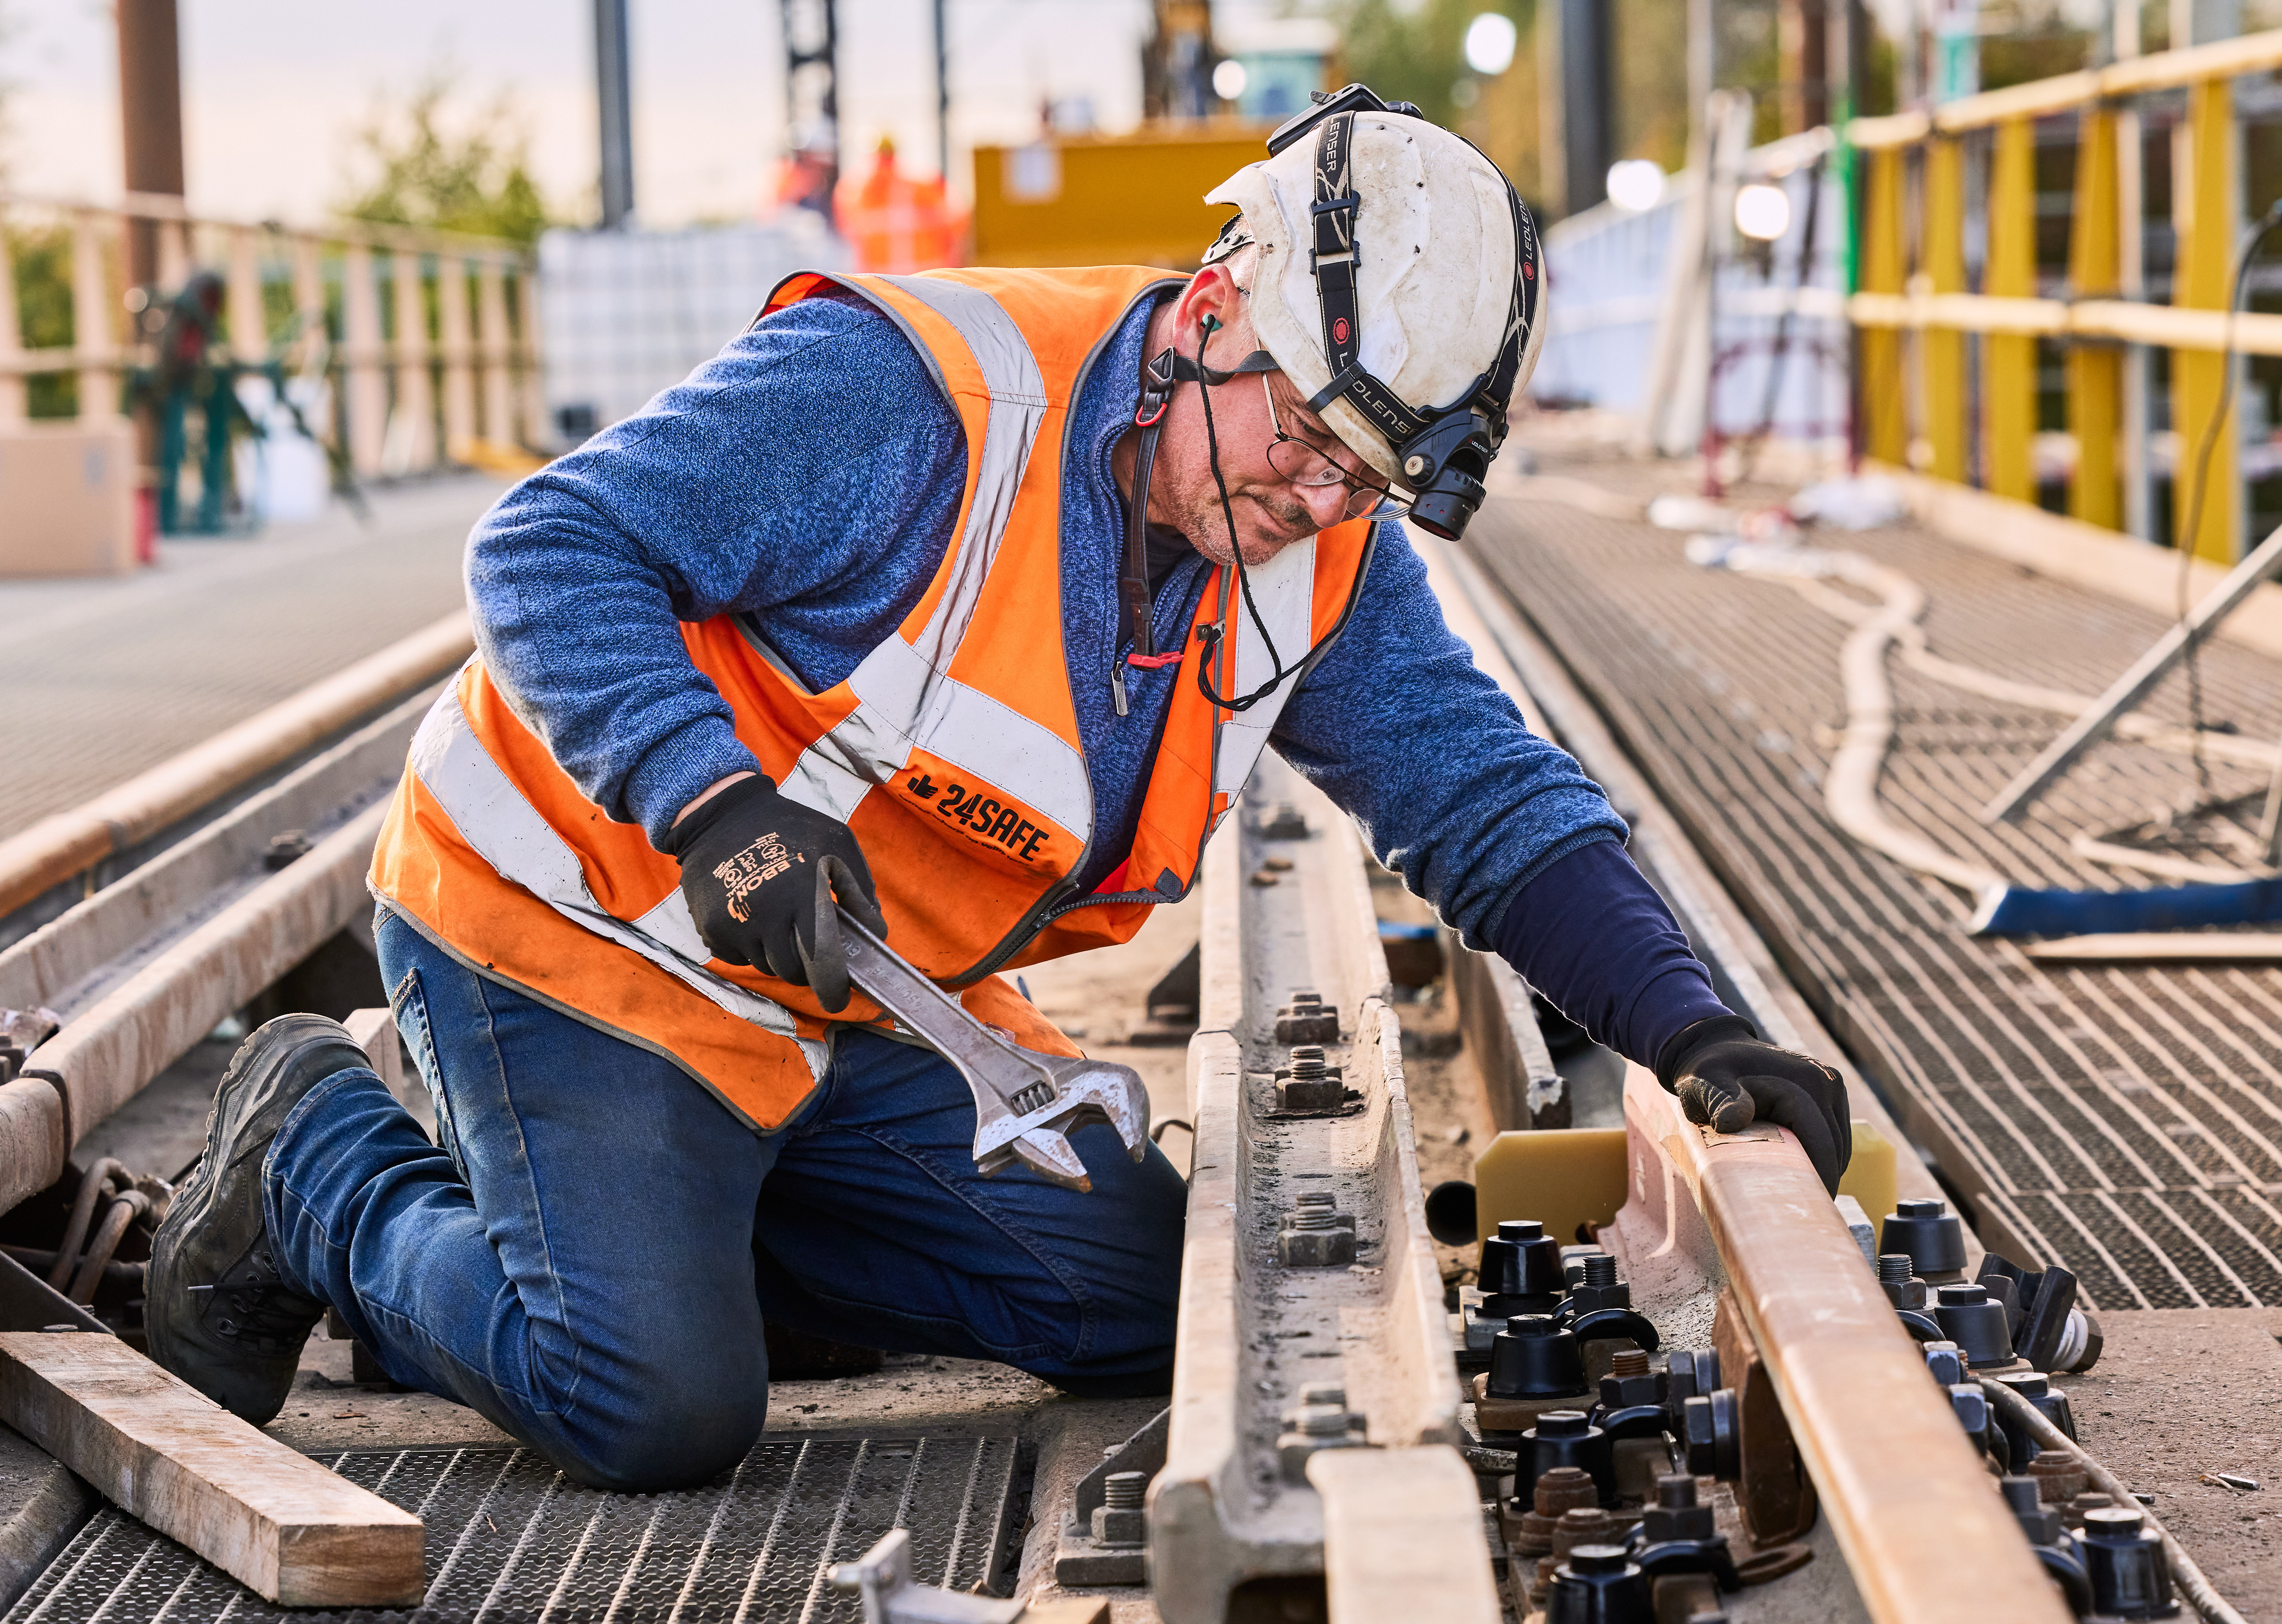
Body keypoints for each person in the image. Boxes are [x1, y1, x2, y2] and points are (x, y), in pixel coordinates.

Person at [145, 96, 1851, 1491]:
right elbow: (547, 542)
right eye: (1306, 434)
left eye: (1366, 474)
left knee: (1138, 1293)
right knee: (651, 1403)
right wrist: (708, 801)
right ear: (1212, 305)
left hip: (859, 998)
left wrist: (1696, 1027)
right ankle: (319, 1152)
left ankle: (627, 1228)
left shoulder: (1318, 543)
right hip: (580, 929)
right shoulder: (919, 402)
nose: (1318, 493)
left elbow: (1478, 791)